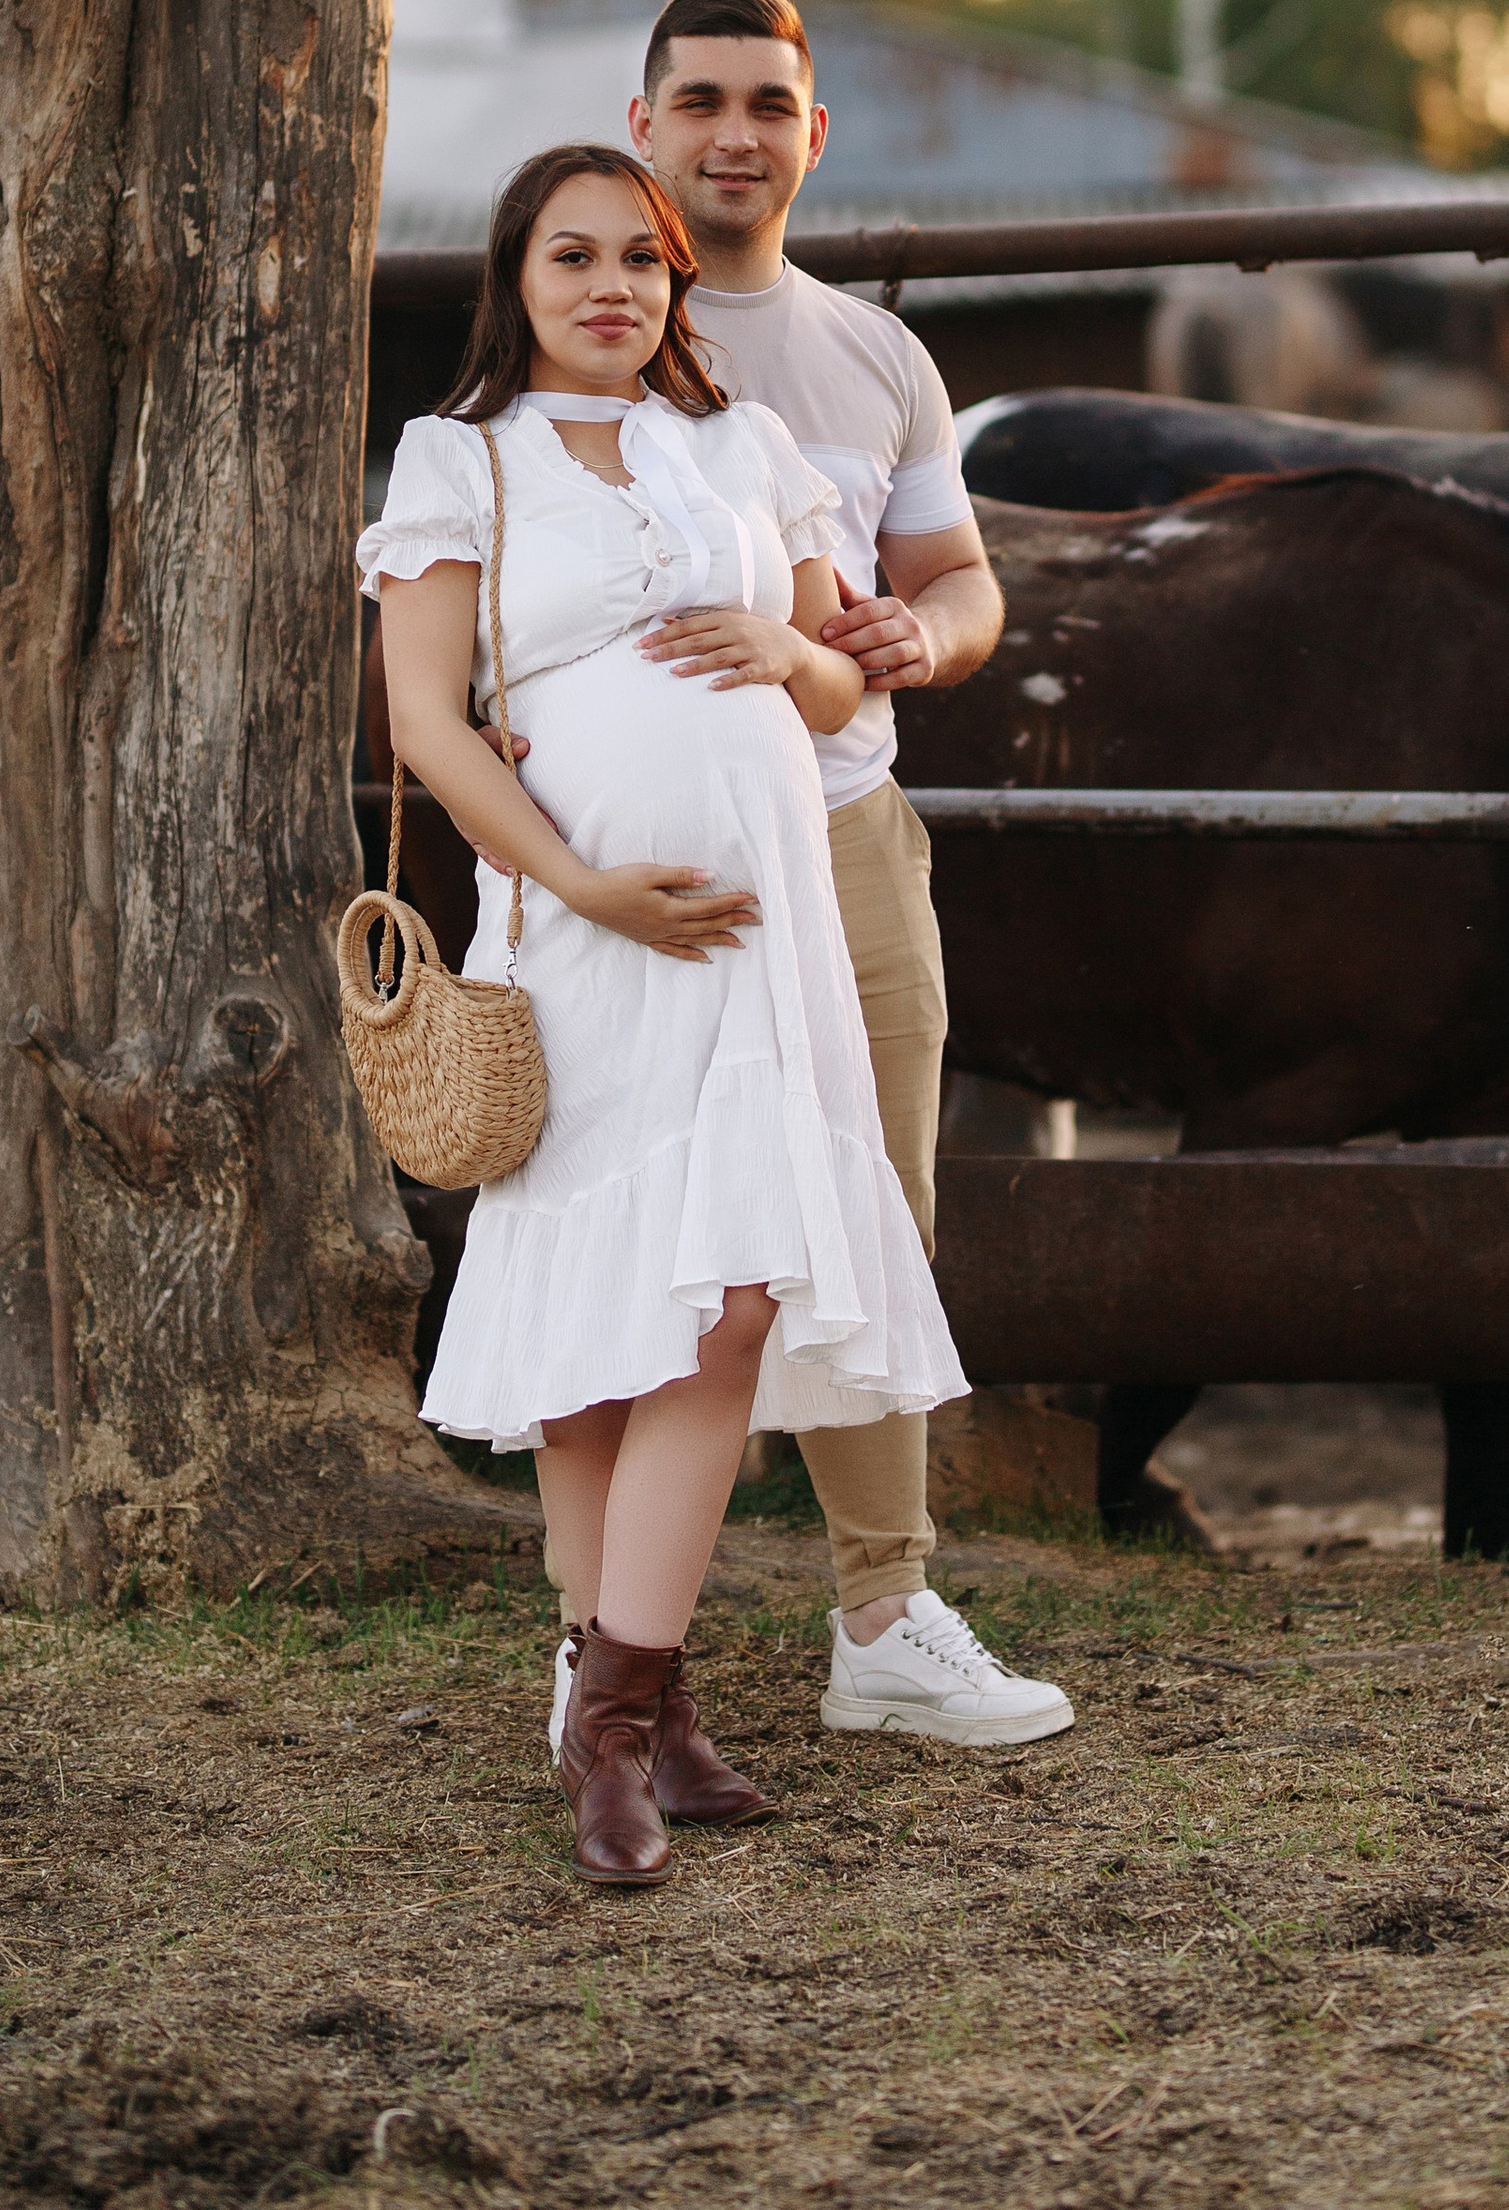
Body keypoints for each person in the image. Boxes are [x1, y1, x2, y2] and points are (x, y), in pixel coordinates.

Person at [362, 140, 966, 1889]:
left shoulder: (737, 446)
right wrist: (592, 881)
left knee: (726, 1305)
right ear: (518, 276)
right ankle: (639, 1709)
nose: (616, 283)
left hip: (759, 932)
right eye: (576, 256)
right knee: (599, 1342)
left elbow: (842, 669)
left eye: (643, 257)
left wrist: (801, 658)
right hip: (586, 929)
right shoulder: (458, 460)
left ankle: (613, 1716)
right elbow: (429, 721)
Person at [624, 0, 1077, 1750]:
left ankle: (884, 1608)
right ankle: (604, 1639)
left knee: (877, 1199)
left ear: (814, 134)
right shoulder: (595, 322)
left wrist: (925, 640)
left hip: (852, 828)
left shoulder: (877, 355)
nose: (736, 133)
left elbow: (964, 583)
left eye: (767, 104)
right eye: (702, 101)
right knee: (643, 1200)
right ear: (646, 121)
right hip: (662, 850)